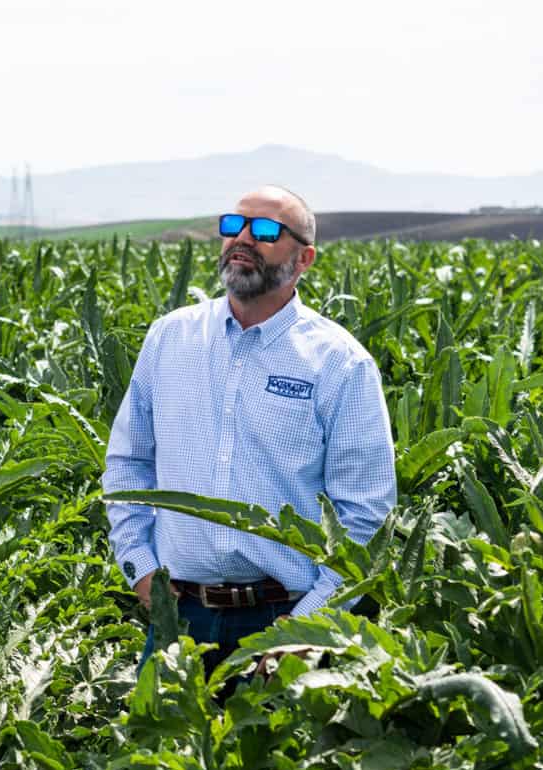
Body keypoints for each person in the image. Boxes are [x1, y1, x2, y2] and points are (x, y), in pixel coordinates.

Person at [102, 185, 396, 678]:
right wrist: (137, 563)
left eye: (264, 231)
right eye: (233, 225)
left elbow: (365, 515)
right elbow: (128, 464)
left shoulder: (339, 363)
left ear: (304, 259)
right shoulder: (169, 338)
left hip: (285, 621)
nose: (242, 238)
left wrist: (308, 628)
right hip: (179, 616)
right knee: (155, 753)